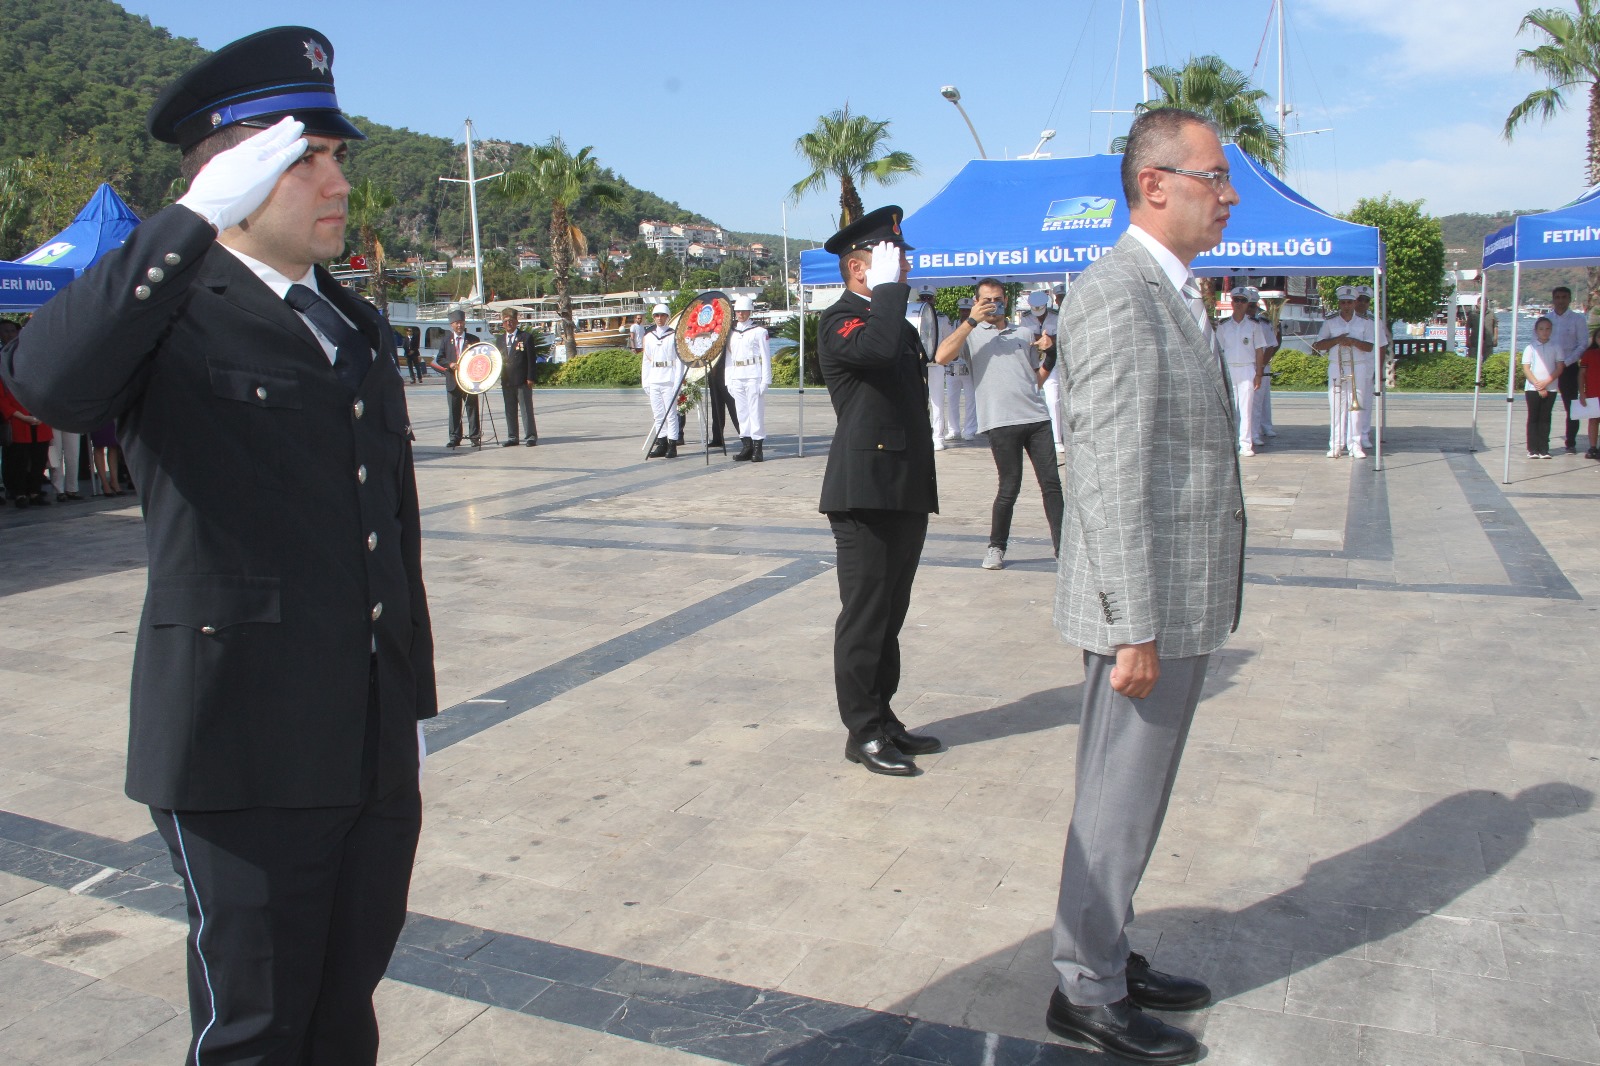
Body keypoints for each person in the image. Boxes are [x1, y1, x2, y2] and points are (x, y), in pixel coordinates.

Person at [0, 26, 436, 1065]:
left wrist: (406, 701)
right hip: (242, 744)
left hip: (369, 737)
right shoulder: (170, 314)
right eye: (307, 159)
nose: (337, 181)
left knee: (343, 1013)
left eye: (339, 156)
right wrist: (189, 219)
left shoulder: (353, 326)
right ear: (232, 170)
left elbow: (388, 528)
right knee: (256, 1030)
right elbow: (46, 383)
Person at [1046, 108, 1245, 1066]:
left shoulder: (1169, 288)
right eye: (1215, 176)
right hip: (1147, 604)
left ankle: (1106, 953)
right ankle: (1085, 987)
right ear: (1155, 184)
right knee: (1119, 799)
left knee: (1128, 794)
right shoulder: (1121, 292)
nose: (1230, 194)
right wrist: (1133, 626)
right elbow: (1112, 468)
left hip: (1169, 593)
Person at [817, 205, 941, 777]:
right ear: (861, 270)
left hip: (904, 485)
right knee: (865, 616)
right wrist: (889, 294)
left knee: (892, 614)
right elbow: (874, 351)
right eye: (896, 260)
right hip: (863, 491)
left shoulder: (896, 320)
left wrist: (893, 299)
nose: (907, 266)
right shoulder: (841, 319)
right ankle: (861, 732)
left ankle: (884, 717)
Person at [934, 277, 1063, 571]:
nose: (994, 304)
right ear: (977, 301)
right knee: (1009, 487)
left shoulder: (1024, 331)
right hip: (1000, 422)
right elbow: (941, 356)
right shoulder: (972, 334)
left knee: (1052, 485)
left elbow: (1036, 379)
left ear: (1006, 299)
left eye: (998, 299)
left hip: (1036, 418)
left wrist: (1050, 353)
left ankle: (1063, 547)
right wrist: (970, 322)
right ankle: (996, 547)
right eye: (987, 299)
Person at [1312, 285, 1373, 458]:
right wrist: (1338, 340)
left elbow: (1369, 347)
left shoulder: (1365, 322)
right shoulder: (1330, 322)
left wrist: (1352, 341)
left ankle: (1355, 444)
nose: (1346, 305)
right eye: (1343, 302)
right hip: (1336, 365)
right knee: (1336, 405)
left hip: (1357, 365)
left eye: (1349, 302)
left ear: (1355, 303)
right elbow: (1319, 345)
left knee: (1356, 406)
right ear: (1339, 303)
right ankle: (1336, 444)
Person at [1216, 284, 1271, 455]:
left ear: (1248, 304)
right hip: (1230, 368)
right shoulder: (1223, 325)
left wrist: (1259, 373)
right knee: (1231, 408)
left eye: (1243, 300)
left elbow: (1259, 350)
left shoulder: (1254, 326)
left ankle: (1246, 444)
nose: (1239, 303)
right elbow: (1218, 351)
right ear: (1232, 303)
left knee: (1246, 408)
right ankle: (1231, 441)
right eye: (1236, 300)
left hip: (1247, 369)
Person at [1020, 289, 1065, 455]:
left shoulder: (1057, 316)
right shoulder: (1025, 318)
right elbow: (1023, 338)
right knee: (1030, 399)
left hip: (1050, 362)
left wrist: (1048, 340)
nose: (1038, 313)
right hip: (1032, 362)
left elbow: (1063, 337)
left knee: (1053, 400)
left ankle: (1057, 439)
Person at [726, 295, 771, 462]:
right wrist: (728, 380)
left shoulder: (759, 332)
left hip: (753, 374)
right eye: (738, 311)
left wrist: (765, 380)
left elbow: (766, 358)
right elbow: (729, 359)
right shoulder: (731, 333)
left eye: (744, 311)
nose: (741, 314)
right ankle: (746, 445)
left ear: (750, 312)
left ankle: (757, 447)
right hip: (737, 375)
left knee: (755, 412)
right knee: (742, 413)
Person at [0, 376, 52, 506]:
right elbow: (2, 400)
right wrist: (21, 416)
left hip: (41, 420)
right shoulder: (4, 373)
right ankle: (20, 494)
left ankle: (35, 492)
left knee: (39, 459)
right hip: (18, 420)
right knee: (19, 460)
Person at [1548, 285, 1588, 453]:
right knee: (1545, 406)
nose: (1561, 301)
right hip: (1548, 367)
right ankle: (1542, 443)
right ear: (1553, 299)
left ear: (1569, 299)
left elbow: (1583, 344)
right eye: (1557, 297)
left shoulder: (1577, 320)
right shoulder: (1546, 319)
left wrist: (1567, 362)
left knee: (1571, 406)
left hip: (1569, 367)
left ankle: (1570, 441)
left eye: (1564, 297)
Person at [914, 287, 954, 451]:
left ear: (934, 300)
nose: (926, 301)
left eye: (929, 298)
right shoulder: (914, 315)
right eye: (923, 298)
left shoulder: (942, 318)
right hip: (917, 363)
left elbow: (948, 339)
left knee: (937, 401)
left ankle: (937, 437)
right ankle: (920, 435)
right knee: (917, 400)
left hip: (936, 363)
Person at [435, 309, 481, 448]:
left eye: (461, 322)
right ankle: (455, 437)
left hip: (469, 380)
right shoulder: (446, 340)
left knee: (472, 409)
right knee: (454, 410)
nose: (459, 325)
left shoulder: (473, 339)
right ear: (451, 325)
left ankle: (474, 437)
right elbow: (440, 358)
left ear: (464, 323)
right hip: (453, 380)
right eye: (456, 323)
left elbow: (479, 358)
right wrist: (450, 364)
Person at [641, 302, 679, 458]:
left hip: (669, 377)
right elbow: (646, 360)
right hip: (655, 377)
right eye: (656, 315)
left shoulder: (673, 336)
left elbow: (679, 361)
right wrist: (646, 381)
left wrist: (678, 382)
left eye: (662, 315)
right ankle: (661, 443)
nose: (659, 318)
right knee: (658, 414)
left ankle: (672, 444)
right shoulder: (649, 337)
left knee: (671, 414)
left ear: (668, 317)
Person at [1523, 315, 1563, 459]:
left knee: (1545, 418)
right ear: (1536, 330)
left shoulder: (1556, 346)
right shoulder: (1530, 347)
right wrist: (1538, 385)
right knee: (1533, 417)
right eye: (1541, 329)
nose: (1544, 332)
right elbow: (1526, 368)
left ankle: (1544, 449)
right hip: (1532, 388)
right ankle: (1532, 448)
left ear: (1551, 330)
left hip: (1550, 387)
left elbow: (1559, 367)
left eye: (1547, 329)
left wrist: (1546, 383)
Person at [497, 307, 538, 446]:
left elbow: (531, 359)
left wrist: (530, 377)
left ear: (516, 321)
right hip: (507, 381)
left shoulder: (525, 337)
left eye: (511, 320)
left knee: (526, 409)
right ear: (502, 323)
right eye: (506, 321)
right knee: (509, 409)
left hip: (522, 380)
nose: (509, 323)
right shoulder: (500, 340)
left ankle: (530, 436)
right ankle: (513, 437)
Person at [1353, 284, 1388, 448]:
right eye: (1360, 299)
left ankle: (1364, 434)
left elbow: (1382, 345)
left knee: (1366, 403)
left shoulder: (1374, 321)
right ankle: (1349, 436)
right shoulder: (1346, 318)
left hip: (1367, 366)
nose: (1363, 303)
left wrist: (1379, 369)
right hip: (1349, 366)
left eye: (1366, 301)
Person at [1247, 291, 1278, 443]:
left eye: (1253, 306)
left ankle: (1256, 433)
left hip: (1261, 367)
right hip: (1245, 367)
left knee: (1259, 401)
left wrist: (1261, 366)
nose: (1251, 309)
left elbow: (1271, 346)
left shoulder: (1263, 324)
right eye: (1249, 306)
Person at [1578, 326, 1600, 459]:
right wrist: (1582, 391)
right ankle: (1592, 447)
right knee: (1593, 420)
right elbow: (1582, 374)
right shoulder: (1589, 354)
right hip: (1593, 393)